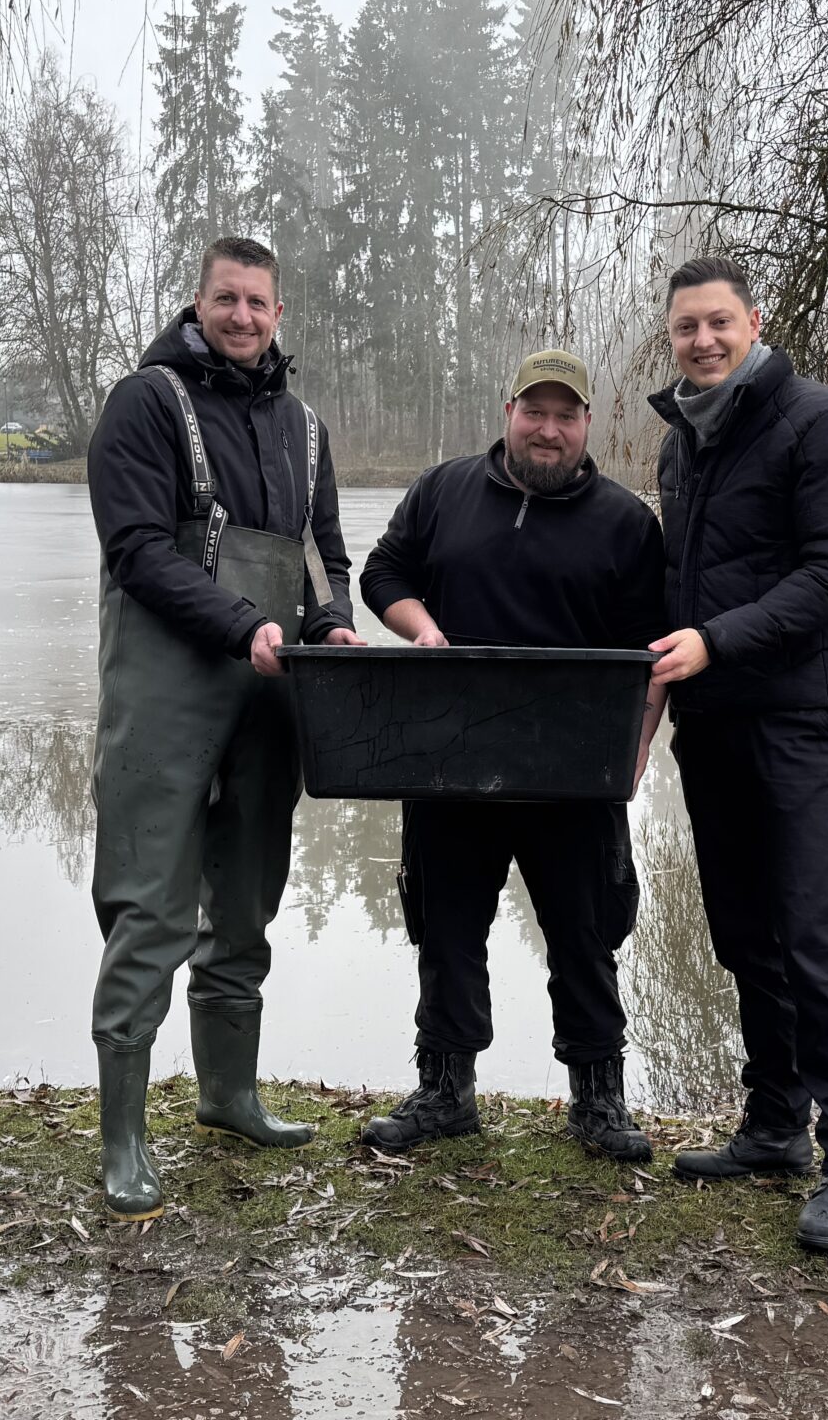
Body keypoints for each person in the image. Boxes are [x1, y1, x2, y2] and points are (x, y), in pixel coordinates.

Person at [85, 237, 364, 1222]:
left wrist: (333, 626)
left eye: (258, 302)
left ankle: (227, 1096)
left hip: (269, 696)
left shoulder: (304, 428)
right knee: (150, 911)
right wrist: (241, 624)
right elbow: (135, 551)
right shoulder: (144, 403)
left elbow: (324, 556)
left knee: (246, 901)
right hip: (166, 691)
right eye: (226, 299)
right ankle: (123, 1138)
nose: (243, 316)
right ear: (197, 304)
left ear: (279, 314)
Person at [355, 349, 669, 1163]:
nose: (548, 430)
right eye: (536, 411)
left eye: (565, 416)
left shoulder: (627, 523)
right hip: (450, 758)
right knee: (448, 930)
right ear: (509, 413)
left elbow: (652, 650)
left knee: (585, 935)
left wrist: (636, 746)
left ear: (587, 425)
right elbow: (383, 572)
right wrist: (423, 629)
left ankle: (599, 1100)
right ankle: (444, 1092)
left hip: (573, 771)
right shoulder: (443, 490)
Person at [642, 256, 828, 1250]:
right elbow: (680, 583)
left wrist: (717, 640)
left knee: (810, 932)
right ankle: (776, 1124)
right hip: (713, 720)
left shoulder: (816, 422)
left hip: (798, 716)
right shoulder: (682, 443)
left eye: (717, 323)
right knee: (743, 932)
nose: (701, 341)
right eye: (684, 328)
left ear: (753, 322)